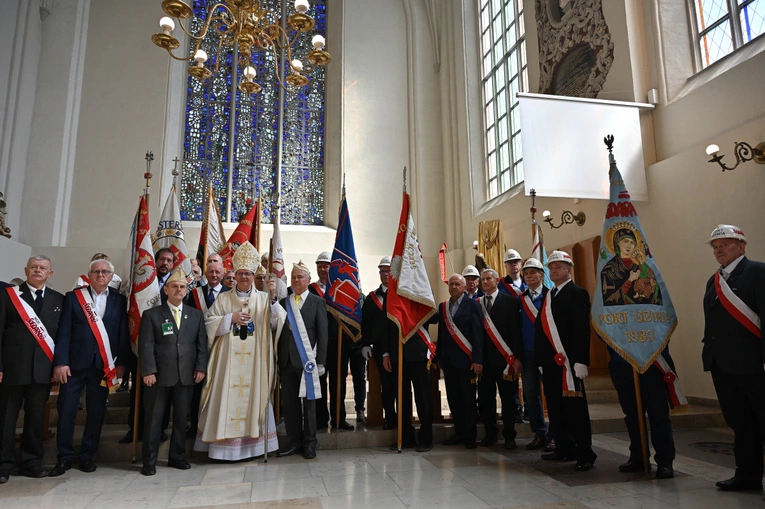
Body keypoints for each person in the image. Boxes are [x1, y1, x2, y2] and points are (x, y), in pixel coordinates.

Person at [195, 242, 281, 461]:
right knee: (226, 395)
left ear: (254, 275)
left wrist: (273, 299)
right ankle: (224, 449)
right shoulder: (224, 298)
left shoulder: (263, 298)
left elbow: (275, 324)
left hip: (255, 363)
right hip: (226, 363)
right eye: (241, 273)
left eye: (248, 274)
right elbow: (207, 324)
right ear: (235, 274)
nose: (244, 277)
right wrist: (228, 319)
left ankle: (252, 448)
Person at [50, 259, 129, 476]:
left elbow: (122, 333)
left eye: (105, 272)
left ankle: (87, 455)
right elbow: (64, 331)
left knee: (96, 412)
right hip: (74, 365)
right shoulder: (74, 297)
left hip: (103, 366)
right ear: (89, 275)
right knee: (66, 410)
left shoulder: (119, 300)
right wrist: (61, 362)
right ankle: (64, 457)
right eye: (96, 272)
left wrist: (121, 363)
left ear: (111, 276)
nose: (100, 275)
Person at [702, 224, 765, 492]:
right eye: (716, 246)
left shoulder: (758, 272)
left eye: (725, 244)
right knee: (740, 423)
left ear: (741, 246)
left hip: (753, 363)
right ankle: (747, 476)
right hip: (723, 364)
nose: (719, 250)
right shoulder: (713, 280)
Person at [0, 256, 64, 483]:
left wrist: (58, 365)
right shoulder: (8, 296)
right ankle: (3, 464)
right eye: (34, 267)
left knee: (36, 419)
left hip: (42, 369)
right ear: (26, 270)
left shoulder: (59, 299)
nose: (38, 270)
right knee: (6, 418)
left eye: (43, 268)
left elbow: (60, 337)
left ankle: (31, 463)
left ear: (50, 273)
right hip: (12, 369)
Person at [138, 270, 207, 476]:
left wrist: (201, 367)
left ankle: (177, 457)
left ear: (187, 291)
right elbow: (146, 345)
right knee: (154, 420)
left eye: (182, 287)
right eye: (175, 286)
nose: (179, 290)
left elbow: (201, 344)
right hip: (158, 376)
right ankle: (149, 462)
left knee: (180, 420)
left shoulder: (195, 315)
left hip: (186, 375)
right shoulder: (151, 315)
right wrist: (148, 370)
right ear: (166, 290)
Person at [535, 250, 596, 471]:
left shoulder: (577, 292)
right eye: (551, 268)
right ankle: (564, 447)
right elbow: (541, 330)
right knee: (556, 407)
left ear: (568, 269)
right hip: (551, 364)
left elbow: (581, 329)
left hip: (570, 364)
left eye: (558, 267)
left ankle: (585, 453)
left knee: (576, 410)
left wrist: (581, 360)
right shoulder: (550, 295)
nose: (554, 271)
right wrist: (541, 359)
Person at [275, 261, 328, 459]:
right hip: (287, 361)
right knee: (289, 405)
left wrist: (321, 362)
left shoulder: (317, 302)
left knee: (309, 404)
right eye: (294, 277)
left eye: (300, 277)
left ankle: (310, 443)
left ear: (309, 280)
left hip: (308, 362)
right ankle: (294, 441)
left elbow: (323, 334)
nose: (296, 280)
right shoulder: (283, 303)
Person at [478, 268, 523, 449]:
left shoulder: (510, 302)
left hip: (506, 361)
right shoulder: (478, 303)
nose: (485, 282)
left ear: (497, 280)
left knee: (508, 400)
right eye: (483, 280)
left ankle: (509, 435)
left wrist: (517, 358)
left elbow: (515, 333)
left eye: (489, 278)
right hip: (485, 362)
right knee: (486, 400)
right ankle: (490, 434)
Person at [309, 251, 355, 431]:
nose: (323, 269)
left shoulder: (341, 288)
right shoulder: (311, 289)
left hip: (338, 342)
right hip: (318, 344)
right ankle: (321, 418)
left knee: (339, 381)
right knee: (319, 380)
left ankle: (339, 418)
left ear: (332, 268)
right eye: (320, 266)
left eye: (326, 266)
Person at [437, 274, 482, 449]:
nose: (454, 287)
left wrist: (477, 359)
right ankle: (459, 433)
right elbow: (442, 334)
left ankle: (470, 437)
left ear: (464, 287)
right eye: (451, 284)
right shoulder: (444, 307)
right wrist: (440, 357)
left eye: (458, 284)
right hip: (448, 362)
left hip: (467, 361)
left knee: (468, 400)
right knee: (454, 399)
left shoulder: (473, 305)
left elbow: (478, 334)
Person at [382, 303, 435, 452]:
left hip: (418, 353)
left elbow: (434, 317)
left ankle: (426, 438)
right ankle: (405, 436)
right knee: (402, 398)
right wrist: (386, 352)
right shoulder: (393, 289)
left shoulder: (419, 288)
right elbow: (386, 323)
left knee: (423, 397)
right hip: (397, 353)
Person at [186, 260, 227, 438]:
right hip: (197, 349)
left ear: (223, 274)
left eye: (218, 272)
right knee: (197, 390)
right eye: (211, 272)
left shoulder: (229, 294)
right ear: (205, 273)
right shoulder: (194, 293)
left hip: (221, 347)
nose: (214, 275)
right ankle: (195, 425)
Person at [519, 258, 552, 451]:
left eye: (533, 272)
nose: (529, 276)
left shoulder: (550, 296)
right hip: (528, 353)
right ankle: (539, 433)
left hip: (549, 354)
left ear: (542, 275)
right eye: (526, 273)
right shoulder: (520, 299)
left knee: (552, 394)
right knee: (531, 394)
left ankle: (555, 434)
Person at [361, 257, 397, 430]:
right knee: (387, 385)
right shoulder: (371, 298)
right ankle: (390, 418)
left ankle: (403, 419)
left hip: (399, 347)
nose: (385, 274)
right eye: (382, 271)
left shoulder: (402, 296)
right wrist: (365, 344)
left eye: (388, 270)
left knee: (401, 386)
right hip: (380, 348)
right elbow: (366, 323)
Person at [601, 227, 662, 306]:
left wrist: (652, 283)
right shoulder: (610, 270)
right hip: (620, 315)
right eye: (625, 241)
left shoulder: (642, 267)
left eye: (632, 242)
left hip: (644, 314)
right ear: (617, 243)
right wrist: (629, 281)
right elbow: (607, 301)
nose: (629, 246)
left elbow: (656, 296)